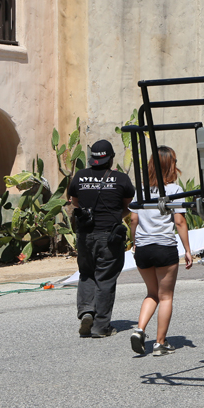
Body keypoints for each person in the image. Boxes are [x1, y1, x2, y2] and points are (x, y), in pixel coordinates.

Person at [128, 146, 193, 356]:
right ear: (170, 165)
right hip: (164, 247)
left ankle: (139, 330)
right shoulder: (174, 190)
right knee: (166, 297)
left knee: (151, 293)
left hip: (143, 249)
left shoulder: (142, 190)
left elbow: (133, 219)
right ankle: (160, 343)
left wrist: (134, 242)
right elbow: (180, 221)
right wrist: (188, 250)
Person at [69, 140, 134, 338]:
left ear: (92, 159)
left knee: (87, 273)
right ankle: (101, 326)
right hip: (110, 235)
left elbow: (75, 203)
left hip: (85, 235)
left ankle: (87, 311)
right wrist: (115, 215)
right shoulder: (121, 179)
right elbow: (129, 205)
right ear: (110, 158)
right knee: (105, 278)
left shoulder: (80, 177)